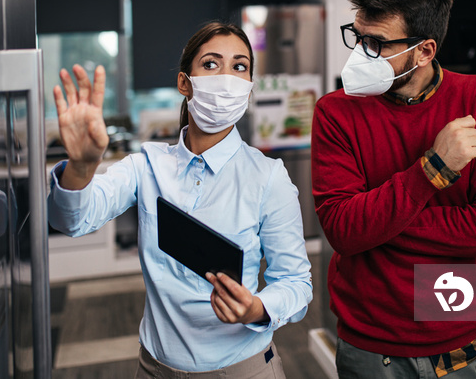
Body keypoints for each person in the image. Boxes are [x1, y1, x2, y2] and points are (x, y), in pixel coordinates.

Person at [47, 22, 313, 378]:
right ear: (184, 83)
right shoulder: (147, 165)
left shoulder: (268, 176)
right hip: (155, 368)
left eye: (239, 66)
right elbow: (72, 220)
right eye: (211, 64)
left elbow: (296, 282)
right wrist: (81, 166)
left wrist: (256, 308)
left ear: (249, 87)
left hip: (243, 369)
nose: (227, 78)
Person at [311, 0, 476, 378]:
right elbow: (343, 229)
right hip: (372, 344)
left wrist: (377, 222)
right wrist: (432, 170)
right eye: (358, 37)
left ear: (425, 51)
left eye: (376, 43)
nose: (360, 52)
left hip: (458, 340)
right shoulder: (335, 111)